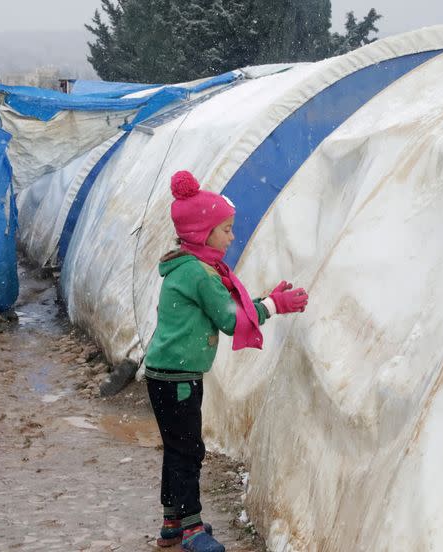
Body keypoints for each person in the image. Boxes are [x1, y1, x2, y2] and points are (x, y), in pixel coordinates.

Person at [145, 170, 309, 552]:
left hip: (166, 373)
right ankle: (191, 529)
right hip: (178, 377)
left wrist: (265, 300)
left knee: (176, 447)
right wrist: (274, 305)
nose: (233, 237)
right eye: (226, 229)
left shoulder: (188, 266)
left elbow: (229, 307)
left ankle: (172, 523)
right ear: (204, 232)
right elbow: (230, 318)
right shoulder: (200, 274)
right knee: (188, 449)